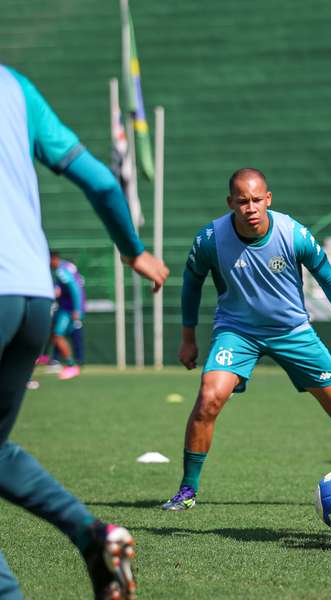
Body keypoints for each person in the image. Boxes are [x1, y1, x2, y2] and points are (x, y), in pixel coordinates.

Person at [0, 64, 169, 599]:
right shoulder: (14, 86)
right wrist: (134, 250)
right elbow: (99, 179)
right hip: (31, 296)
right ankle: (92, 536)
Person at [162, 168, 331, 511]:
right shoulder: (210, 238)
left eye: (257, 200)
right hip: (237, 333)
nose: (251, 208)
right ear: (231, 202)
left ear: (268, 199)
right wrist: (188, 338)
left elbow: (330, 281)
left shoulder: (293, 234)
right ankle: (187, 491)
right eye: (242, 201)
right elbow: (191, 283)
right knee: (208, 399)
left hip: (293, 331)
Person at [48, 251, 86, 380]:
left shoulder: (61, 271)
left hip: (68, 309)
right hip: (70, 308)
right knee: (60, 334)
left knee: (58, 335)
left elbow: (75, 289)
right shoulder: (66, 267)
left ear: (53, 259)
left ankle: (71, 365)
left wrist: (77, 309)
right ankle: (67, 363)